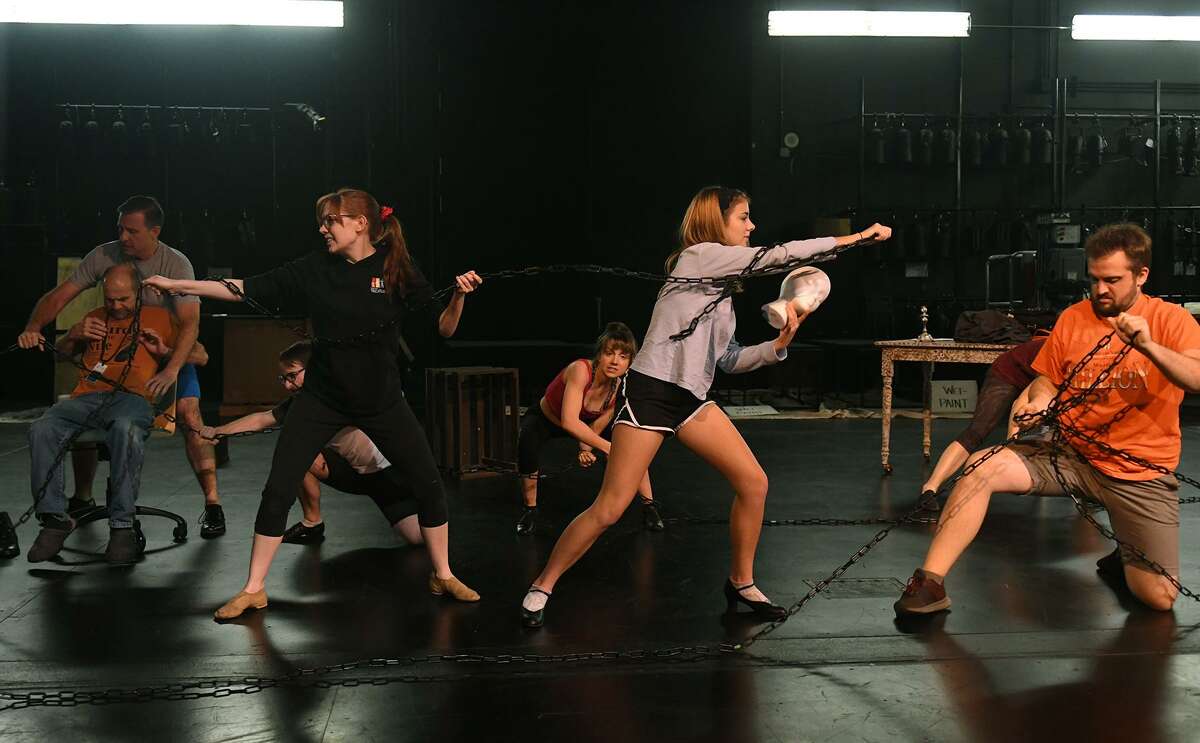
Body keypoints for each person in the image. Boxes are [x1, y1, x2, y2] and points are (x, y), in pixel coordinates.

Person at [520, 185, 891, 628]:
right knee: (611, 507)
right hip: (652, 394)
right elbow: (777, 256)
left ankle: (741, 581)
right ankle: (542, 585)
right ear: (716, 223)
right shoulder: (695, 259)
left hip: (692, 400)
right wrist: (854, 239)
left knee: (753, 483)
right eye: (744, 218)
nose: (752, 226)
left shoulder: (724, 298)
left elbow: (728, 361)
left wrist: (779, 344)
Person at [145, 187, 483, 620]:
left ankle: (443, 574)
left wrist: (458, 296)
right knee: (278, 487)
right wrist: (176, 284)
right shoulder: (314, 268)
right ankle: (253, 588)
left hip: (381, 401)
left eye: (332, 221)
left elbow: (445, 329)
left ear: (360, 223)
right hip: (322, 399)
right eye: (322, 221)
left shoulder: (396, 266)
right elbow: (241, 288)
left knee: (428, 482)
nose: (323, 229)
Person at [895, 223, 1200, 616]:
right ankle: (930, 583)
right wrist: (1039, 402)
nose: (1101, 290)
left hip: (1137, 471)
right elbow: (1047, 379)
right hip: (1070, 457)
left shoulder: (1171, 320)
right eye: (1094, 279)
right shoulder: (1073, 319)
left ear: (1141, 275)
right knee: (981, 466)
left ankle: (1124, 557)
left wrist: (1148, 346)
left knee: (1157, 597)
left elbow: (1196, 376)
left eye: (1112, 280)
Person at [17, 196, 226, 538]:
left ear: (154, 231)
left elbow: (190, 324)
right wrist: (32, 327)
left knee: (189, 413)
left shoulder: (175, 264)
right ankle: (82, 497)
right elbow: (60, 295)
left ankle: (213, 503)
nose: (124, 237)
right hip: (116, 350)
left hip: (164, 350)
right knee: (86, 398)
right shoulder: (104, 255)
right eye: (120, 229)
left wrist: (172, 368)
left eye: (132, 231)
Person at [26, 264, 207, 564]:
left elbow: (201, 356)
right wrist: (73, 335)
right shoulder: (94, 316)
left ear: (139, 294)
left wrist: (164, 351)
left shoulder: (160, 317)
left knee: (125, 429)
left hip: (133, 398)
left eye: (123, 299)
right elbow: (62, 356)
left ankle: (122, 526)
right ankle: (54, 519)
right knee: (42, 428)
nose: (115, 306)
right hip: (87, 397)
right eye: (110, 299)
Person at [202, 340, 424, 546]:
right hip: (352, 474)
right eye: (284, 379)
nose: (288, 386)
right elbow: (263, 418)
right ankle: (312, 522)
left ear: (314, 370)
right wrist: (219, 431)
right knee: (296, 448)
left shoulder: (349, 393)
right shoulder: (303, 404)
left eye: (292, 376)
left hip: (389, 476)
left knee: (417, 538)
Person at [516, 322, 662, 535]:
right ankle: (530, 509)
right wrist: (608, 447)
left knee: (631, 444)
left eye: (623, 356)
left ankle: (649, 506)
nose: (615, 361)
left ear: (630, 361)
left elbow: (594, 428)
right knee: (527, 441)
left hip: (581, 424)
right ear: (599, 355)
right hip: (547, 419)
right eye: (609, 353)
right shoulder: (580, 370)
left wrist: (585, 449)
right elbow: (569, 421)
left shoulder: (619, 387)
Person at [920, 336, 1048, 504]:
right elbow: (1020, 403)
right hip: (1007, 373)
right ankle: (929, 489)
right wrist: (1011, 443)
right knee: (977, 432)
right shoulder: (1056, 352)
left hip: (1033, 381)